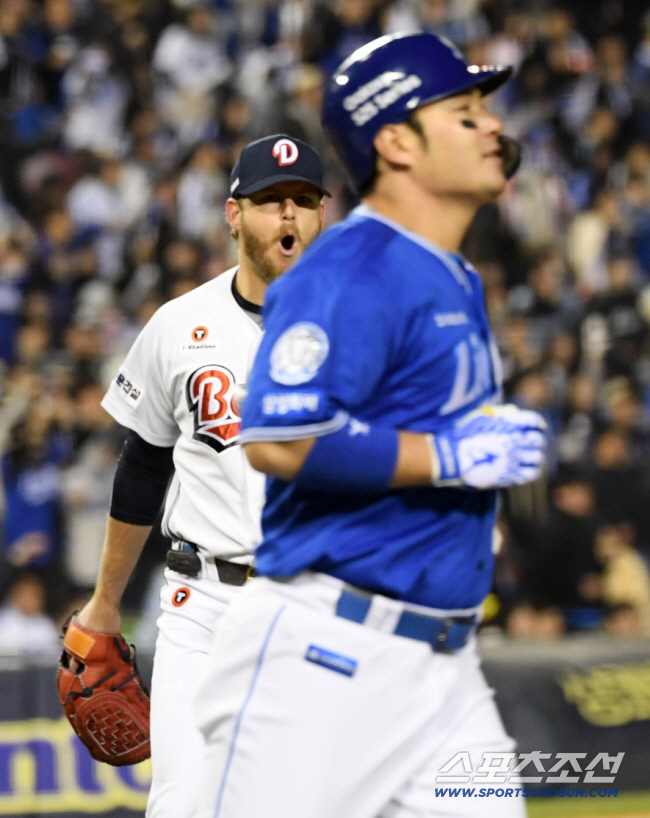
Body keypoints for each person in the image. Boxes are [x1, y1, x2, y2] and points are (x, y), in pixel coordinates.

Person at [196, 32, 548, 818]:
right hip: (328, 655)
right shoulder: (352, 267)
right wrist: (448, 454)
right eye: (464, 112)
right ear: (396, 141)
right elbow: (282, 438)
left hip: (444, 666)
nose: (493, 127)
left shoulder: (449, 269)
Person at [64, 134, 328, 818]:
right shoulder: (179, 326)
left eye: (304, 201)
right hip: (201, 604)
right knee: (183, 805)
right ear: (234, 215)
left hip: (317, 602)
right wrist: (104, 601)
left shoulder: (360, 330)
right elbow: (144, 464)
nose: (289, 216)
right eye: (271, 202)